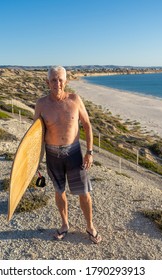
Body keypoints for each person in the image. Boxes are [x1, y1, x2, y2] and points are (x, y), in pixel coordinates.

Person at [34, 66, 101, 244]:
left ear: (66, 81)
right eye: (53, 80)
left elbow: (87, 125)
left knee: (84, 193)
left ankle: (90, 226)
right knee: (59, 191)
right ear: (47, 82)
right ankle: (64, 225)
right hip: (52, 154)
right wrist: (33, 161)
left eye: (60, 79)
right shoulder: (41, 104)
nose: (57, 83)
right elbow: (35, 134)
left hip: (74, 153)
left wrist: (90, 152)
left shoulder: (75, 100)